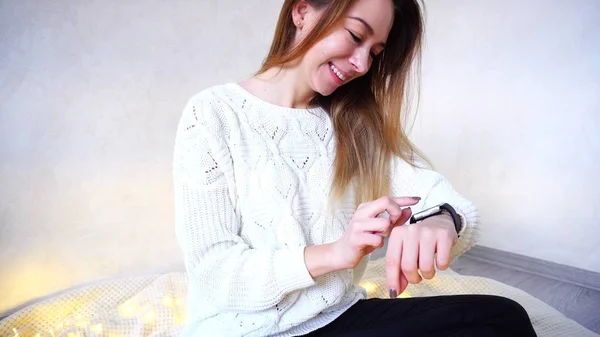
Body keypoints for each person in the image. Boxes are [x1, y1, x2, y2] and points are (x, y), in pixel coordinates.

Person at [172, 0, 538, 336]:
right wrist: (337, 252)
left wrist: (442, 218)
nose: (362, 65)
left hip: (338, 318)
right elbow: (214, 273)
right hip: (240, 331)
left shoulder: (352, 125)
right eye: (355, 35)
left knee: (501, 319)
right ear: (302, 12)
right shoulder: (212, 114)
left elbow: (443, 198)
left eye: (375, 53)